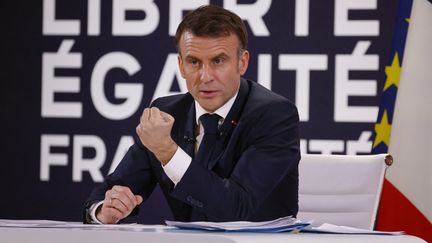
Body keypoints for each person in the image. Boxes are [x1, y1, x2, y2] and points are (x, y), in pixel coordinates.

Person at [84, 4, 300, 224]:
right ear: (181, 65)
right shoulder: (167, 112)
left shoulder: (275, 115)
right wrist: (105, 210)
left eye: (218, 61)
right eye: (194, 62)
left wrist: (168, 151)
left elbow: (236, 209)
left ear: (242, 62)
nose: (205, 77)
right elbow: (108, 193)